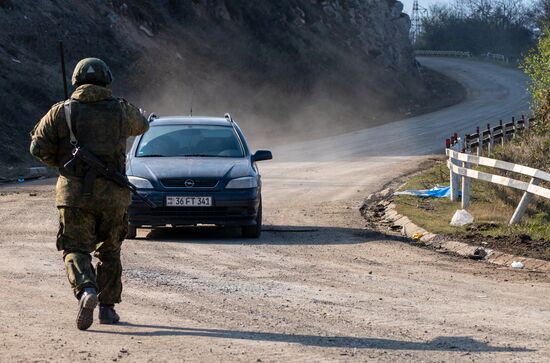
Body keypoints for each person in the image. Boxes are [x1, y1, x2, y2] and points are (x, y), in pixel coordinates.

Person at [29, 58, 149, 330]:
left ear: (76, 81)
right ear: (107, 80)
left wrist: (62, 161)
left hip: (74, 196)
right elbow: (143, 125)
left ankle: (86, 290)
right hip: (114, 197)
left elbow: (38, 149)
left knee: (76, 249)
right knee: (110, 251)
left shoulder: (61, 112)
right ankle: (107, 310)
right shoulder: (121, 110)